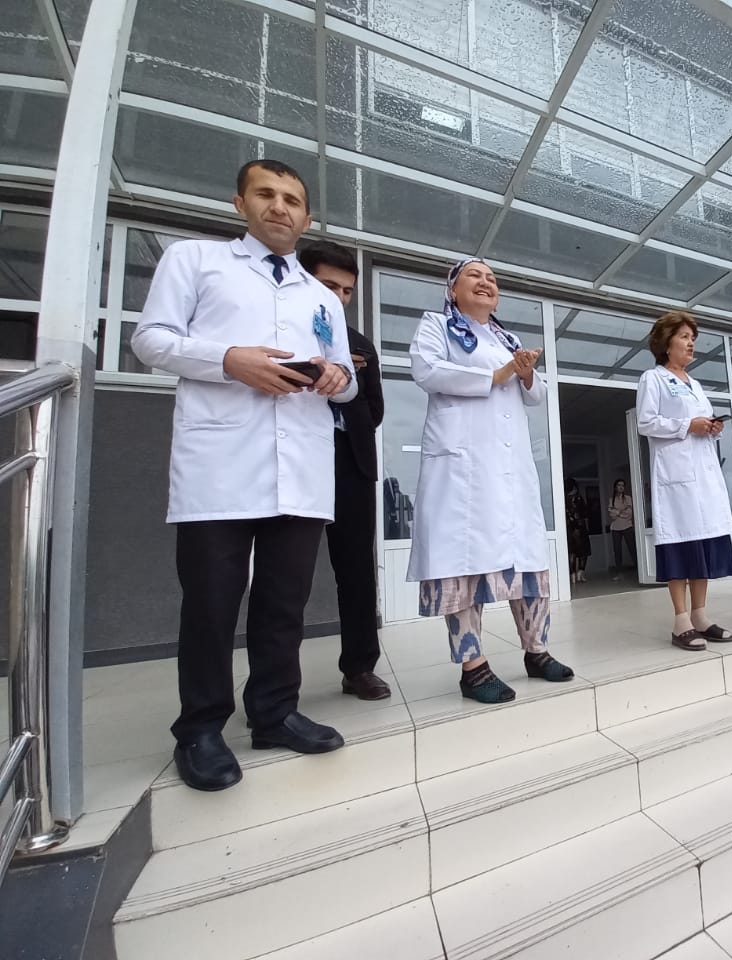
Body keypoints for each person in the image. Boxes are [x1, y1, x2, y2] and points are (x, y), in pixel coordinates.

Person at [132, 159, 356, 791]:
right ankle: (200, 728)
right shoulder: (196, 261)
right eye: (266, 194)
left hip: (301, 468)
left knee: (284, 604)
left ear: (306, 218)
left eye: (292, 200)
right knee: (211, 603)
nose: (279, 207)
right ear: (240, 203)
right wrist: (229, 360)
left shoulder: (321, 297)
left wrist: (336, 377)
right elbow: (150, 340)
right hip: (219, 466)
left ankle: (274, 713)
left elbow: (346, 380)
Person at [406, 258, 573, 703]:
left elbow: (536, 395)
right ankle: (474, 669)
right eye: (475, 276)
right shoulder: (436, 326)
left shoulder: (506, 338)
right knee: (463, 563)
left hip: (510, 468)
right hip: (463, 470)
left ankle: (537, 652)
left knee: (528, 561)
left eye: (492, 279)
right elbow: (426, 370)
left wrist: (525, 371)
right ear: (452, 290)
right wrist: (497, 374)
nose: (486, 282)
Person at [297, 241, 391, 701]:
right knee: (286, 570)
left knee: (356, 571)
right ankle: (274, 685)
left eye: (346, 290)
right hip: (295, 457)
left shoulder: (360, 345)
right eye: (327, 285)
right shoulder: (283, 331)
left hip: (350, 460)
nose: (337, 297)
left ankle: (359, 668)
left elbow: (374, 410)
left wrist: (340, 391)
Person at [637, 311, 732, 651]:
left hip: (703, 475)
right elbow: (646, 423)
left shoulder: (694, 384)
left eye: (692, 337)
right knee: (680, 544)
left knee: (703, 543)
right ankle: (681, 620)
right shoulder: (653, 378)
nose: (691, 342)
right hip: (676, 478)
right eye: (684, 336)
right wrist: (686, 426)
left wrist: (711, 427)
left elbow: (699, 421)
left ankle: (701, 616)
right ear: (666, 343)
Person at [607, 478, 637, 581]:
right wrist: (620, 512)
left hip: (627, 526)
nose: (621, 487)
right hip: (615, 528)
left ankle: (639, 570)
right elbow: (611, 515)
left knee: (632, 548)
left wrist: (617, 512)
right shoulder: (612, 499)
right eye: (619, 485)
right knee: (617, 551)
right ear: (615, 487)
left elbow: (629, 514)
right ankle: (619, 573)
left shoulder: (628, 498)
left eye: (623, 485)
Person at [566, 479, 591, 584]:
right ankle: (580, 574)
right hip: (579, 528)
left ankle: (573, 577)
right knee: (583, 552)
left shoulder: (563, 499)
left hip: (569, 529)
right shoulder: (578, 498)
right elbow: (585, 513)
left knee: (572, 553)